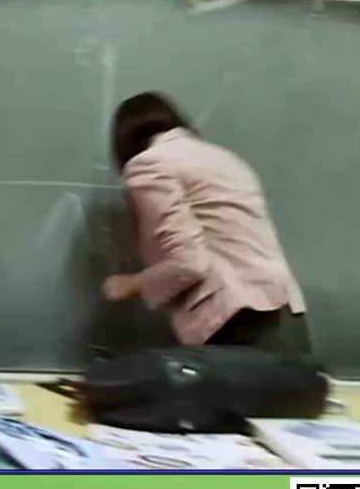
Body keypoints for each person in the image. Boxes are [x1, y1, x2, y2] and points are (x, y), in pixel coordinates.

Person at [101, 91, 311, 355]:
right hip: (285, 316)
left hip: (235, 322)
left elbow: (189, 262)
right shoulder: (225, 159)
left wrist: (131, 284)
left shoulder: (149, 165)